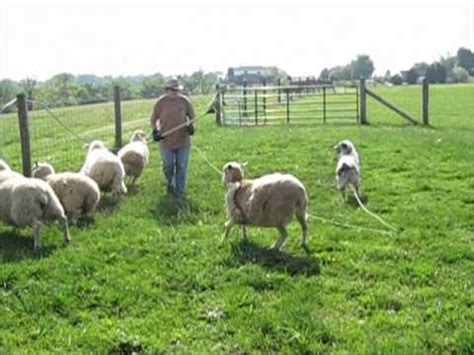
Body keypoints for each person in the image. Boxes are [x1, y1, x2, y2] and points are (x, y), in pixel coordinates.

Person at [150, 79, 195, 197]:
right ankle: (171, 183)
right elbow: (153, 119)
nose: (175, 92)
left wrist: (191, 126)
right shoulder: (160, 103)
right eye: (172, 90)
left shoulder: (184, 101)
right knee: (168, 165)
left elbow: (193, 116)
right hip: (166, 141)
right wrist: (155, 131)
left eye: (177, 89)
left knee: (181, 166)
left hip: (183, 140)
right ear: (167, 90)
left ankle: (180, 192)